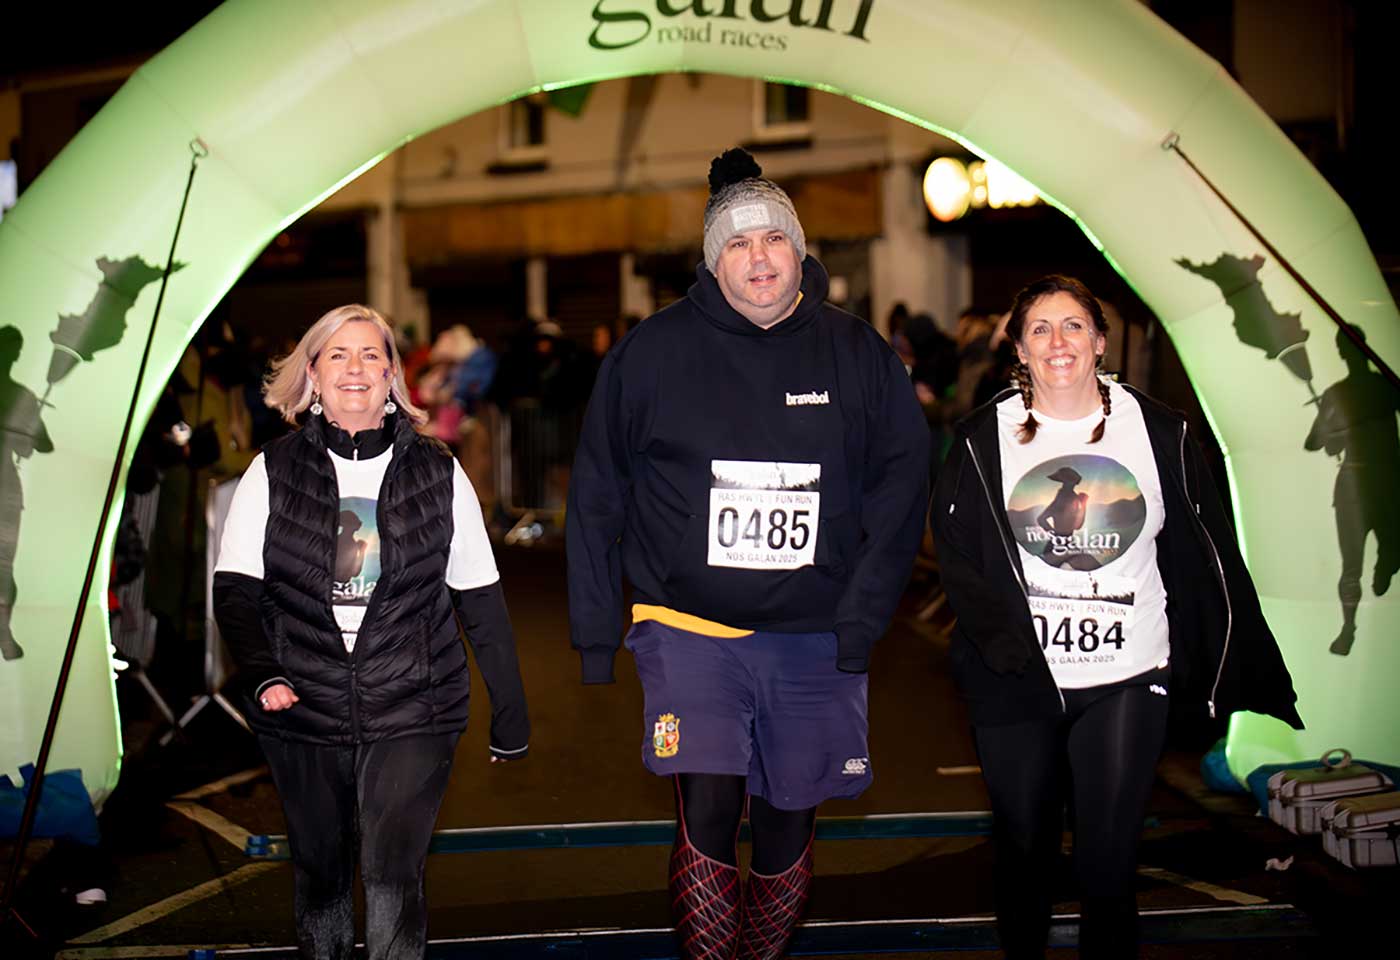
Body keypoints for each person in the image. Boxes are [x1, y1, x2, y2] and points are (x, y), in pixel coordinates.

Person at [567, 148, 929, 959]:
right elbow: (596, 492)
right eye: (737, 242)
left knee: (787, 821)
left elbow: (903, 488)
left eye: (773, 239)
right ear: (712, 260)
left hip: (814, 631)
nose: (758, 257)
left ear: (799, 251)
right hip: (688, 623)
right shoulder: (651, 354)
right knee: (707, 805)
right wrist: (595, 632)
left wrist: (864, 615)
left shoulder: (858, 354)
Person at [930, 275, 1302, 958]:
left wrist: (1210, 654)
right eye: (1039, 328)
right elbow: (956, 551)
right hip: (1019, 679)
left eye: (1073, 325)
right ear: (1019, 348)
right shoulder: (985, 438)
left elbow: (1204, 547)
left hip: (1128, 674)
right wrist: (1000, 642)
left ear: (1100, 341)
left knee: (1107, 864)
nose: (1058, 342)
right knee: (1025, 856)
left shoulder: (1159, 430)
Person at [212, 304, 529, 960]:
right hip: (302, 703)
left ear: (391, 375)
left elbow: (479, 596)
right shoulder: (271, 470)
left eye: (370, 355)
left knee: (392, 875)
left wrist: (510, 709)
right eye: (337, 354)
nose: (354, 367)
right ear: (313, 375)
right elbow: (236, 592)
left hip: (415, 701)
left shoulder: (438, 470)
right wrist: (264, 673)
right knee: (322, 878)